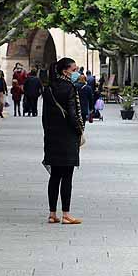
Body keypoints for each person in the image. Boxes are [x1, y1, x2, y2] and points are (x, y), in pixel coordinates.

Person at [42, 57, 84, 225]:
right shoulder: (70, 88)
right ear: (65, 71)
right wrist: (80, 131)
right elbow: (74, 115)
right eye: (74, 70)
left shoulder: (49, 89)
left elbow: (44, 117)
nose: (76, 73)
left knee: (54, 176)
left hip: (52, 136)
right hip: (67, 137)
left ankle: (52, 213)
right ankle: (66, 214)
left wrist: (48, 133)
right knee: (67, 176)